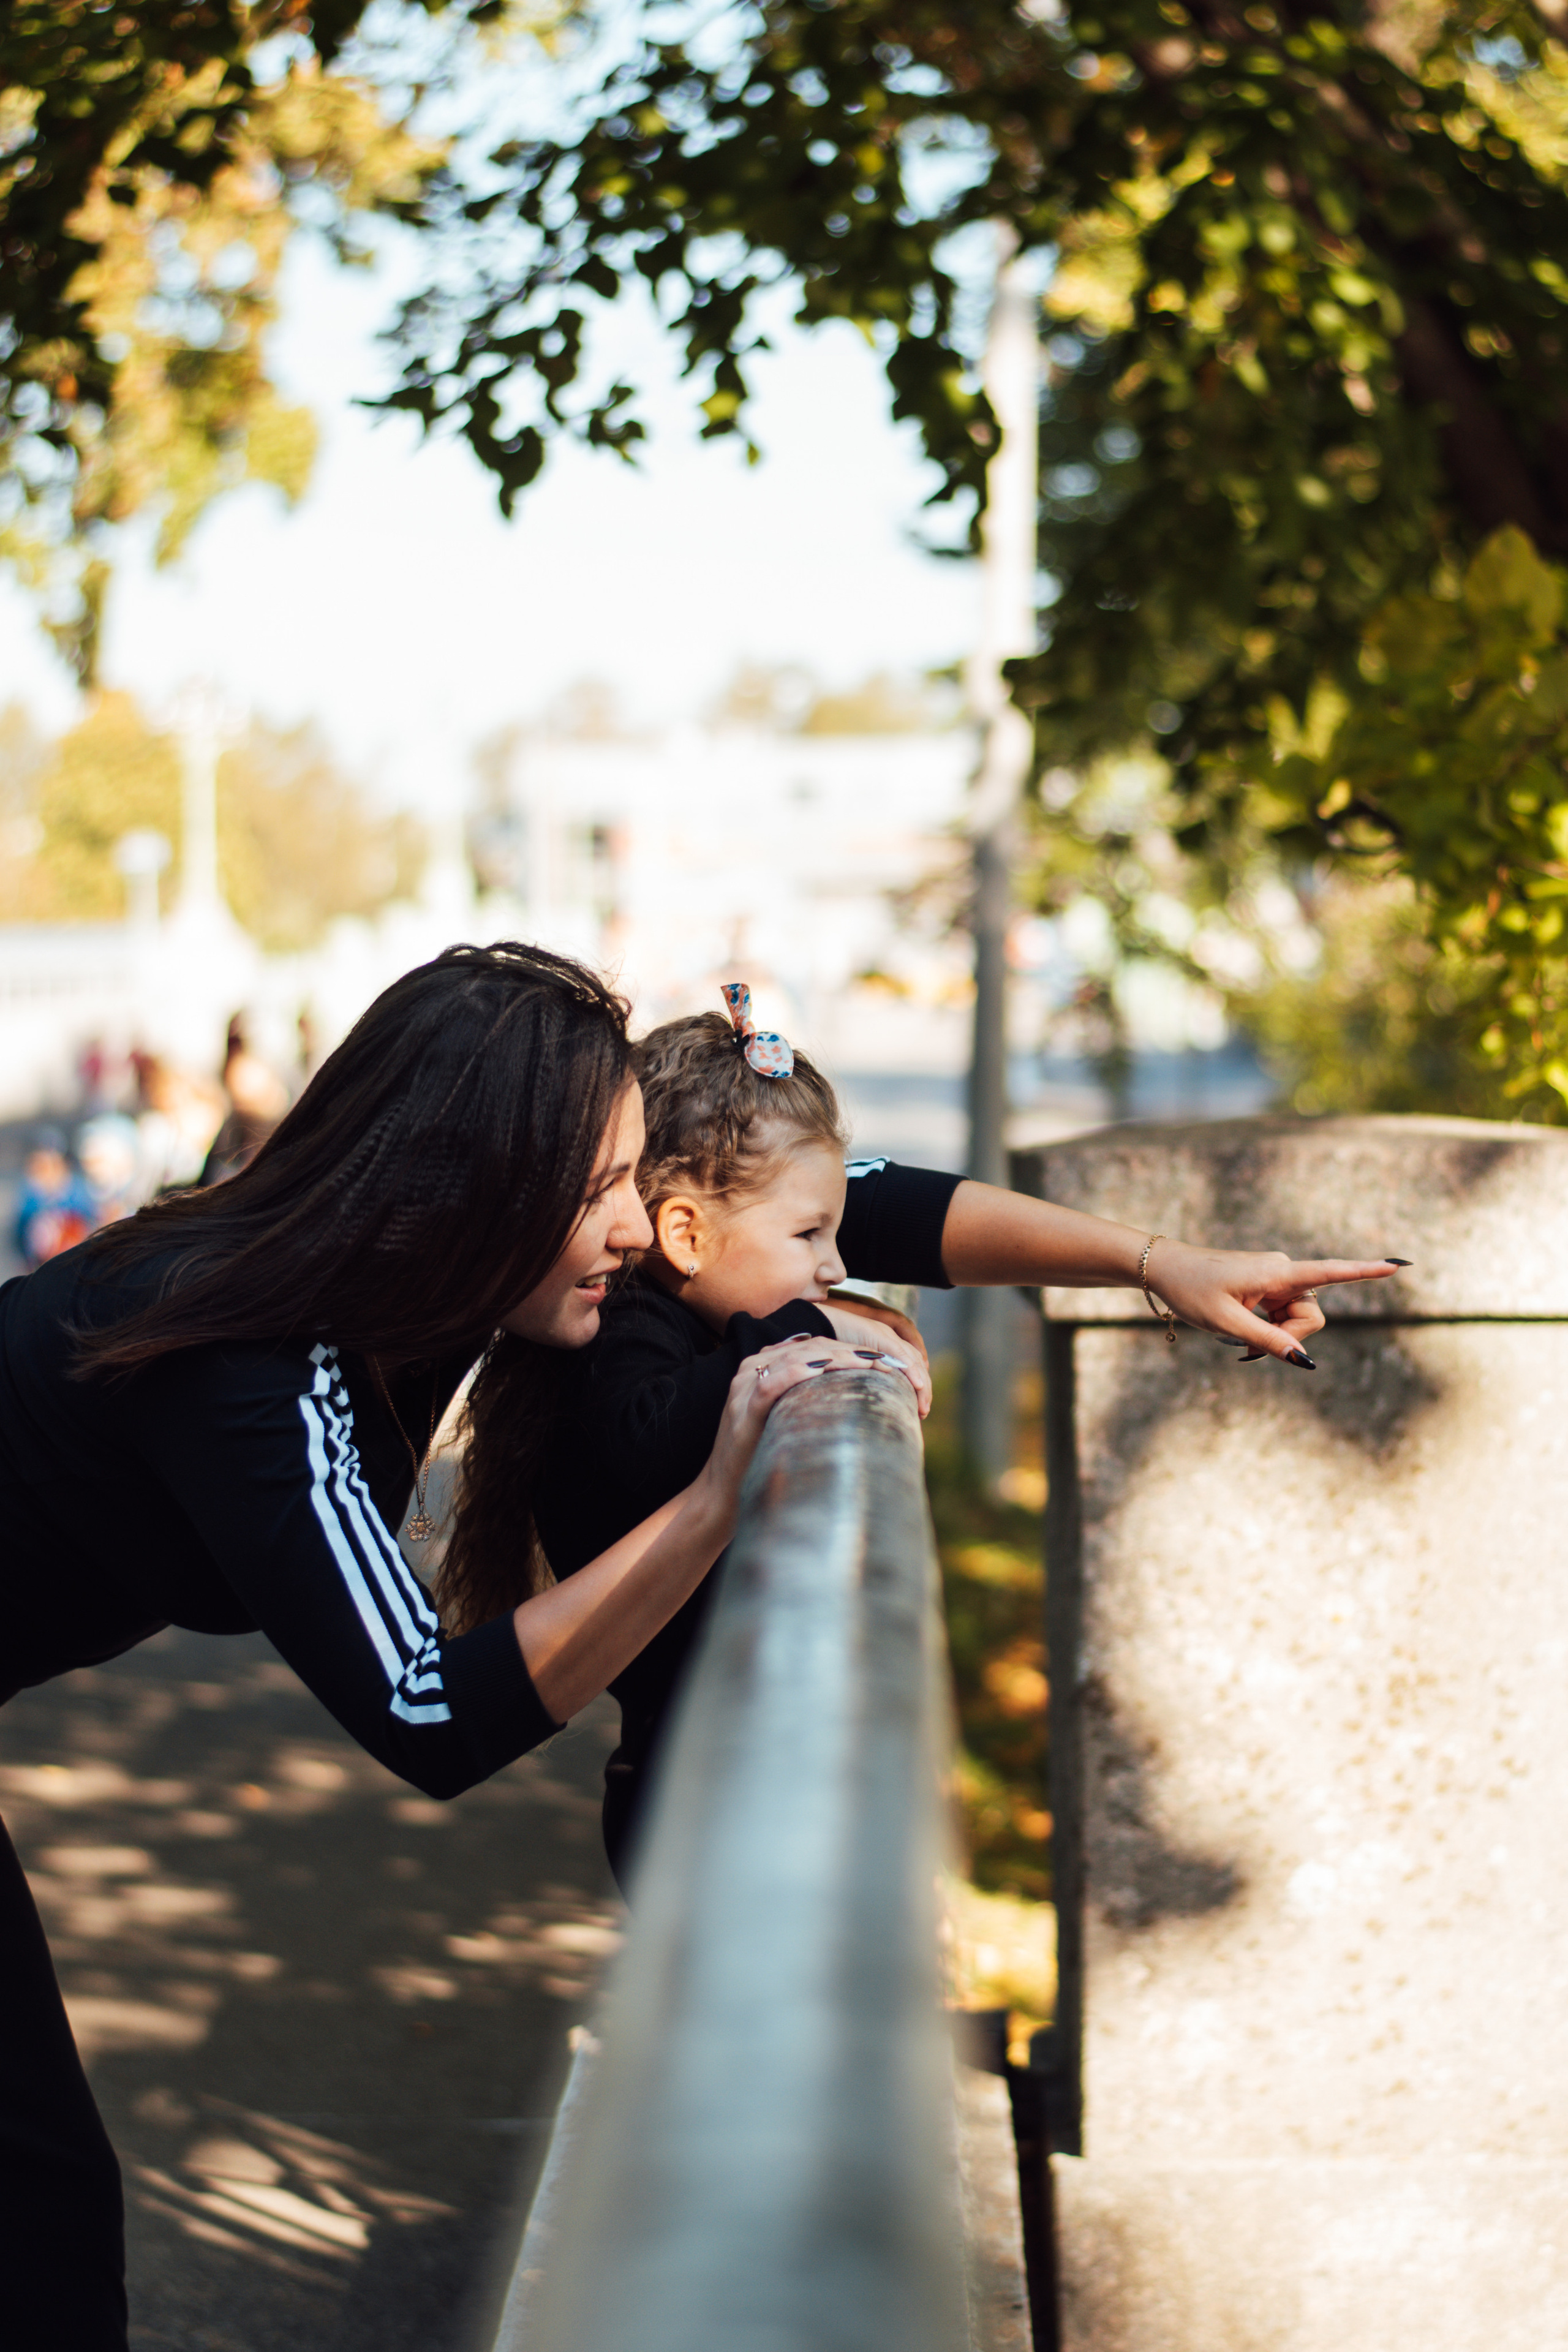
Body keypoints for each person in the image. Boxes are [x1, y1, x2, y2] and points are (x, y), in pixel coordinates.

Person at [0, 943, 871, 2352]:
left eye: (637, 1187)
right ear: (481, 1184)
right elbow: (425, 1708)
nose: (642, 1232)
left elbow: (816, 1198)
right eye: (601, 1194)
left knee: (31, 2213)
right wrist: (716, 1494)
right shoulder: (259, 1352)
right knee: (32, 2220)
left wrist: (1148, 1262)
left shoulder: (413, 1290)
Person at [439, 984, 1408, 1885]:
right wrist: (809, 1327)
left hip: (730, 1781)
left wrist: (1163, 1266)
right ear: (685, 1235)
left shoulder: (685, 1291)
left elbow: (898, 1207)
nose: (837, 1264)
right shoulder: (630, 1332)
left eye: (838, 1239)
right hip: (688, 1801)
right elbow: (644, 1440)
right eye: (813, 1239)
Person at [12, 1126, 96, 1268]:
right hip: (40, 1266)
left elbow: (90, 1225)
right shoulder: (30, 1196)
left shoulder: (79, 1193)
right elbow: (19, 1235)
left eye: (48, 1166)